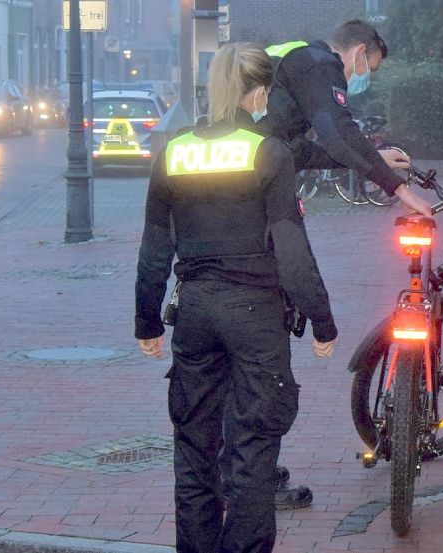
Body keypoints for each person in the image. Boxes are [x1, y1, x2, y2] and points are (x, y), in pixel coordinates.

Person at [135, 42, 337, 553]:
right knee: (252, 450)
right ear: (261, 91)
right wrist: (322, 320)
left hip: (196, 313)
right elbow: (291, 246)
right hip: (255, 315)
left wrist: (147, 323)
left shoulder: (175, 150)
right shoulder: (267, 151)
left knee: (194, 448)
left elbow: (156, 245)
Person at [259, 19, 433, 217]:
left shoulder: (295, 58)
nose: (368, 78)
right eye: (370, 70)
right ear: (359, 52)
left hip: (237, 175)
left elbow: (299, 152)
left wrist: (376, 159)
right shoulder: (322, 64)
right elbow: (340, 134)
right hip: (256, 181)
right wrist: (399, 188)